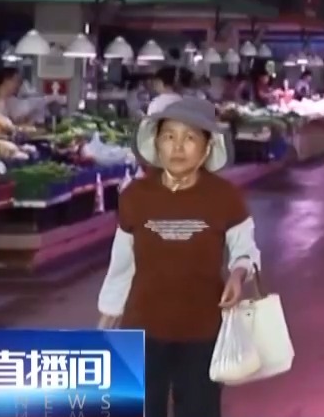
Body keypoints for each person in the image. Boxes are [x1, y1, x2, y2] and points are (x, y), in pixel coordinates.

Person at [98, 96, 259, 417]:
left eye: (190, 138)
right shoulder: (135, 197)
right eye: (169, 136)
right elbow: (122, 264)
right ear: (156, 144)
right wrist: (108, 316)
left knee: (199, 409)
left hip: (203, 330)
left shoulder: (225, 196)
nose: (178, 147)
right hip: (143, 329)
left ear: (207, 148)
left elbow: (246, 250)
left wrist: (238, 274)